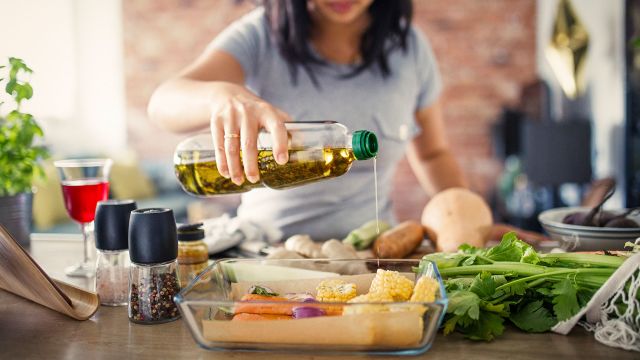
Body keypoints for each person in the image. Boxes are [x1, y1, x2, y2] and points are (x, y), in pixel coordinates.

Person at [148, 0, 468, 241]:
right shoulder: (260, 34)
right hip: (265, 254)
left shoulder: (410, 48)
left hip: (375, 252)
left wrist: (469, 218)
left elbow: (432, 153)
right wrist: (222, 96)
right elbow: (163, 102)